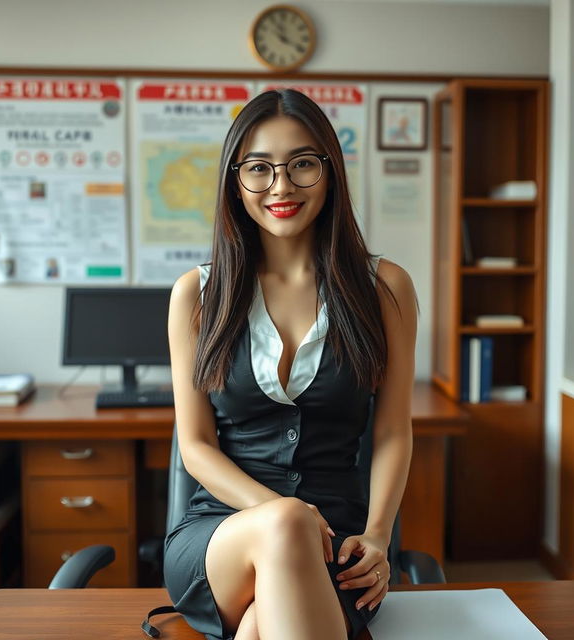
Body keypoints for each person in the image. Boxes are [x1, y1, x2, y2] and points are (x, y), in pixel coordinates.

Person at [163, 89, 417, 640]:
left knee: (261, 628)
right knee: (282, 523)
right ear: (236, 181)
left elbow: (394, 430)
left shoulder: (384, 289)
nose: (281, 186)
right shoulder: (197, 296)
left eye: (302, 164)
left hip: (341, 548)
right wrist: (288, 513)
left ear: (330, 171)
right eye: (259, 168)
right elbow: (197, 448)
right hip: (219, 538)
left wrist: (378, 535)